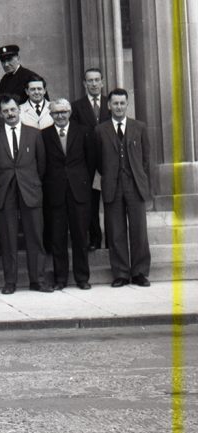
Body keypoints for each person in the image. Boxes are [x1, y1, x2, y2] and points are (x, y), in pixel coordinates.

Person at [0, 95, 48, 294]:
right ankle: (10, 282)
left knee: (35, 237)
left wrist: (31, 182)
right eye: (5, 111)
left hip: (30, 190)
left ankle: (37, 280)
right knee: (8, 238)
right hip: (5, 191)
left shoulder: (34, 134)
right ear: (0, 113)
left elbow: (42, 165)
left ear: (19, 110)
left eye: (12, 110)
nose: (10, 114)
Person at [95, 88, 152, 287]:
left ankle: (139, 272)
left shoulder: (140, 127)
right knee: (116, 231)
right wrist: (111, 176)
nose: (119, 107)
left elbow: (145, 159)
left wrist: (137, 175)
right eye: (115, 103)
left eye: (122, 103)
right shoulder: (100, 130)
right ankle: (120, 273)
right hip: (112, 185)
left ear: (127, 105)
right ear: (109, 106)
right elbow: (99, 161)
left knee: (139, 230)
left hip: (135, 185)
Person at [41, 99, 95, 290]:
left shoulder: (83, 131)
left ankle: (82, 278)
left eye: (63, 111)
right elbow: (43, 164)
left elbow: (90, 162)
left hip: (78, 191)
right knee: (58, 237)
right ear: (51, 114)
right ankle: (60, 279)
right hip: (55, 192)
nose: (60, 116)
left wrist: (82, 183)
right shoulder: (44, 135)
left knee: (80, 236)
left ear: (70, 112)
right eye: (56, 113)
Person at [71, 67, 110, 250]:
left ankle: (111, 239)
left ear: (102, 82)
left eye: (97, 80)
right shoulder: (77, 106)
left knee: (112, 202)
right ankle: (95, 238)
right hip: (87, 162)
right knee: (91, 203)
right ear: (84, 84)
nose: (94, 84)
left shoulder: (110, 103)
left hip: (109, 161)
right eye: (90, 81)